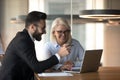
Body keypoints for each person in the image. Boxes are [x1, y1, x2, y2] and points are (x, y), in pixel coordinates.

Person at [0, 11, 71, 80]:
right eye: (43, 28)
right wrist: (59, 54)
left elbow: (34, 65)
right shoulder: (22, 40)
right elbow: (36, 67)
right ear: (32, 27)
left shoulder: (25, 38)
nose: (45, 32)